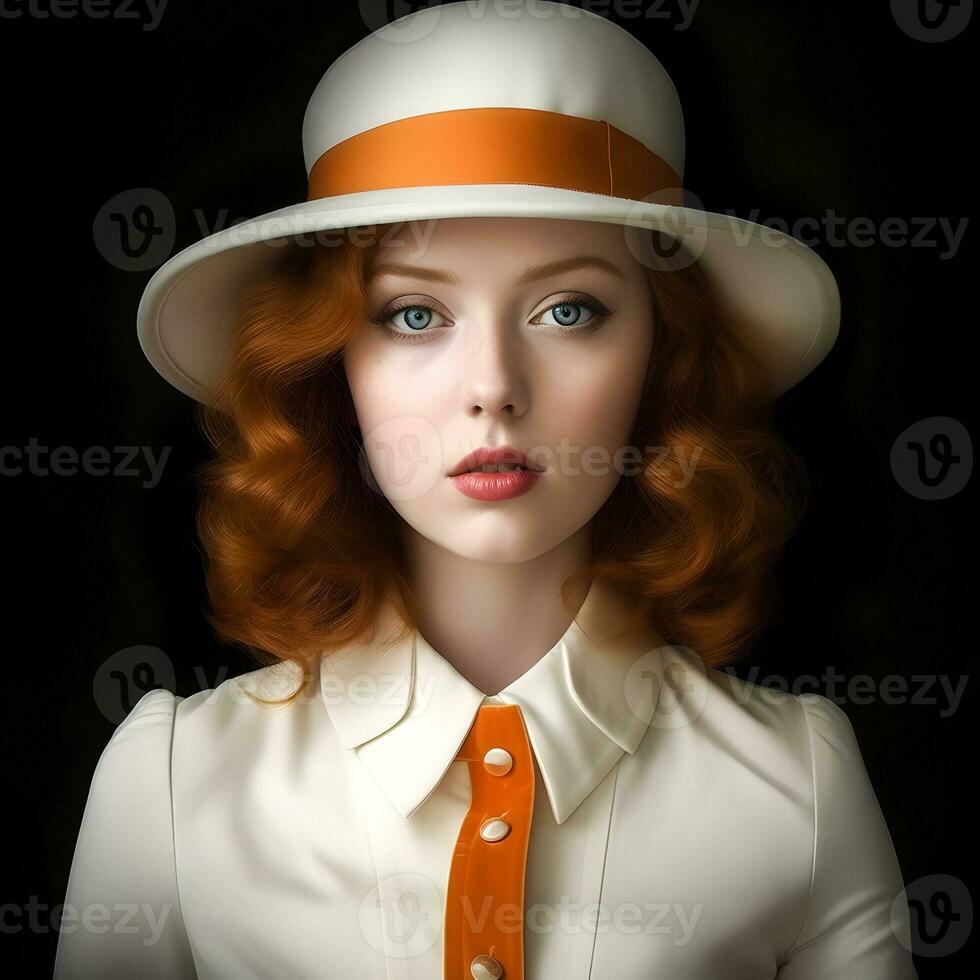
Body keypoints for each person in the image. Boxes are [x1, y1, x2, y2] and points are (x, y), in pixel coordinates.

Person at [55, 3, 918, 978]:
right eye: (415, 312)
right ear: (331, 364)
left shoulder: (796, 784)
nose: (492, 386)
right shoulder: (176, 782)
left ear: (661, 359)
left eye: (567, 308)